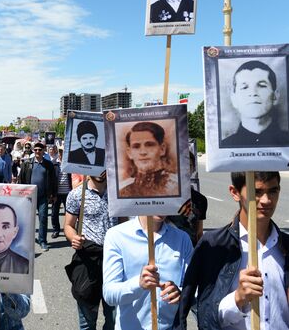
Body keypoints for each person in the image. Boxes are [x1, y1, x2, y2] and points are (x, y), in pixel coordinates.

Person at [174, 171, 289, 329]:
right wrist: (237, 298)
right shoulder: (214, 246)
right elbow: (204, 314)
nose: (266, 200)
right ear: (235, 193)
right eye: (257, 192)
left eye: (273, 191)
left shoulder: (286, 246)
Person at [102, 215, 193, 330]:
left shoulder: (182, 239)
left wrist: (180, 293)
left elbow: (193, 290)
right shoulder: (117, 235)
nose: (159, 201)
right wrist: (138, 284)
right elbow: (110, 294)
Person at [64, 172, 119, 330]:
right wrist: (73, 238)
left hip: (114, 261)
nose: (100, 172)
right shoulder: (76, 195)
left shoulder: (118, 193)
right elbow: (68, 225)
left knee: (114, 319)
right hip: (88, 261)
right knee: (87, 322)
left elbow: (124, 225)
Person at [221, 60, 289, 147]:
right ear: (234, 98)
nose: (253, 93)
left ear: (275, 96)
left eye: (261, 85)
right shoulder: (225, 146)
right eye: (244, 87)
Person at [118, 122, 178, 198]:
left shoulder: (177, 187)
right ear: (129, 153)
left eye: (149, 145)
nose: (143, 152)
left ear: (162, 149)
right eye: (136, 146)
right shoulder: (122, 192)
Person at [18, 142, 57, 252]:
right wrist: (21, 194)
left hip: (43, 197)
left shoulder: (48, 164)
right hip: (29, 196)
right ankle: (25, 240)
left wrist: (54, 195)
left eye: (39, 150)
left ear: (43, 151)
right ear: (33, 151)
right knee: (27, 219)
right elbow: (21, 179)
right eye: (35, 150)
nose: (37, 152)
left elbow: (53, 180)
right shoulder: (27, 164)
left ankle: (42, 241)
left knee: (43, 219)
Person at [51, 148, 71, 239]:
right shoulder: (54, 163)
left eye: (63, 152)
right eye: (60, 152)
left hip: (68, 193)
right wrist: (52, 193)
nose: (61, 153)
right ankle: (56, 230)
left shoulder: (70, 163)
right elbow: (50, 179)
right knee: (54, 213)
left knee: (69, 213)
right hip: (57, 193)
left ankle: (68, 231)